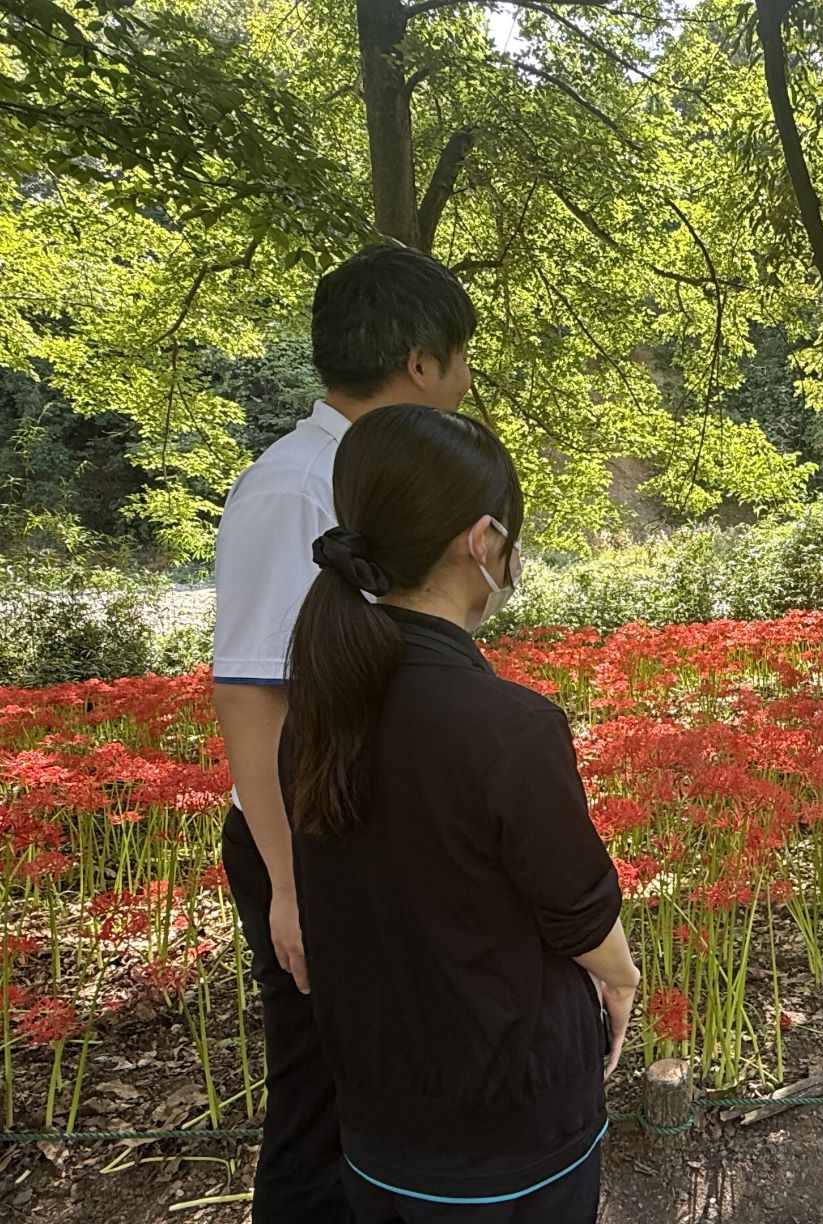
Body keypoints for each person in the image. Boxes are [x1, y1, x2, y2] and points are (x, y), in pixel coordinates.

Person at [281, 403, 639, 1223]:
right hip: (509, 1123)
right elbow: (578, 909)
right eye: (512, 539)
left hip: (377, 1117)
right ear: (483, 544)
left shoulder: (319, 707)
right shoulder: (508, 725)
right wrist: (621, 981)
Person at [212, 243, 477, 1220]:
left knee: (370, 1084)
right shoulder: (293, 488)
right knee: (318, 1102)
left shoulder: (374, 478)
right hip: (310, 842)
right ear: (419, 363)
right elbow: (250, 695)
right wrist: (290, 887)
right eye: (460, 359)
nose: (464, 381)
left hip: (362, 826)